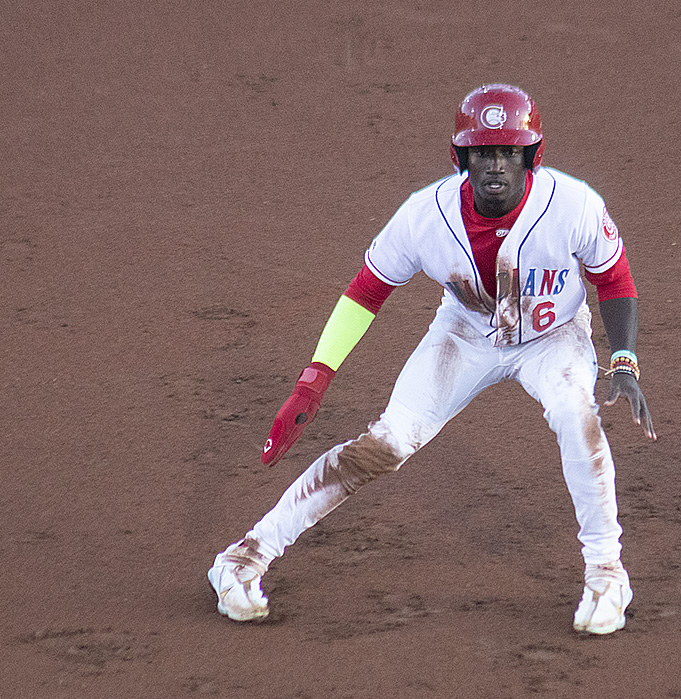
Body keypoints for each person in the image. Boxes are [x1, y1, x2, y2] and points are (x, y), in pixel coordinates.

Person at [208, 83, 656, 635]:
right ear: (462, 156)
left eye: (508, 151)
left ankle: (607, 573)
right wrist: (313, 381)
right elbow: (365, 292)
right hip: (464, 335)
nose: (495, 165)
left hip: (553, 337)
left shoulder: (575, 205)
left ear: (530, 155)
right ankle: (245, 556)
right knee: (387, 444)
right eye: (483, 152)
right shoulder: (424, 215)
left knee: (575, 415)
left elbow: (613, 278)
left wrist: (625, 360)